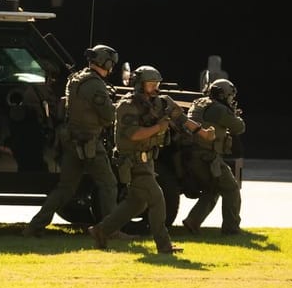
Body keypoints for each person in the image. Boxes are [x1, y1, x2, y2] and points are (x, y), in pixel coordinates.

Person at [87, 65, 216, 254]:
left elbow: (181, 118)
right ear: (139, 85)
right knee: (157, 198)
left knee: (136, 203)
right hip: (131, 161)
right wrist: (160, 127)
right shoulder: (127, 105)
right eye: (150, 84)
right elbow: (134, 134)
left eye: (157, 84)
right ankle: (164, 245)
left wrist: (203, 133)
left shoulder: (162, 102)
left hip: (147, 160)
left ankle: (101, 231)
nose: (155, 88)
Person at [23, 44, 120, 238]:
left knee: (66, 188)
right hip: (89, 141)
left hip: (72, 141)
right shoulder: (95, 84)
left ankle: (35, 227)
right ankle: (110, 230)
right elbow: (109, 116)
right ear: (106, 62)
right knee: (108, 184)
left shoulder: (76, 79)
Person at [181, 78, 246, 235]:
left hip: (192, 155)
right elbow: (239, 127)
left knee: (214, 188)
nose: (232, 99)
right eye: (230, 96)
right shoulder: (219, 109)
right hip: (206, 157)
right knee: (231, 188)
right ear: (223, 95)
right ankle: (231, 229)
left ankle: (193, 221)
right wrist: (233, 114)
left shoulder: (200, 102)